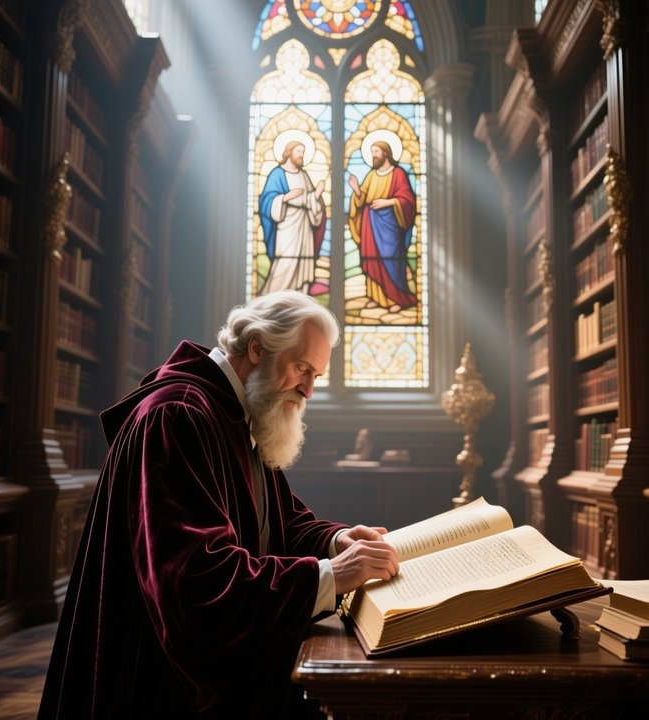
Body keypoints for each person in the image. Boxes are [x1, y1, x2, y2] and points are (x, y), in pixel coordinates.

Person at [38, 291, 399, 719]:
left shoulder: (238, 411)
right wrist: (330, 575)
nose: (308, 389)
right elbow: (194, 584)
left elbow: (279, 521)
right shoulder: (177, 416)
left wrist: (336, 541)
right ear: (258, 348)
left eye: (316, 375)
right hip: (155, 683)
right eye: (302, 368)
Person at [348, 139, 417, 312]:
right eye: (372, 152)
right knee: (372, 259)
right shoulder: (371, 175)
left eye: (376, 151)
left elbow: (407, 199)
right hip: (370, 223)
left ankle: (396, 297)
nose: (373, 155)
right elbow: (362, 198)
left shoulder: (398, 173)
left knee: (390, 259)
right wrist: (356, 190)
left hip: (390, 225)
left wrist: (389, 202)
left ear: (385, 152)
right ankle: (377, 297)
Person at [259, 138, 326, 294]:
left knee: (303, 267)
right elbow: (266, 201)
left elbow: (309, 201)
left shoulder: (303, 175)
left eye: (303, 152)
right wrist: (286, 197)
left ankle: (300, 298)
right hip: (287, 225)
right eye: (299, 151)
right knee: (285, 263)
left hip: (304, 225)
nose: (301, 155)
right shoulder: (277, 174)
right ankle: (270, 298)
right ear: (289, 152)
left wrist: (315, 196)